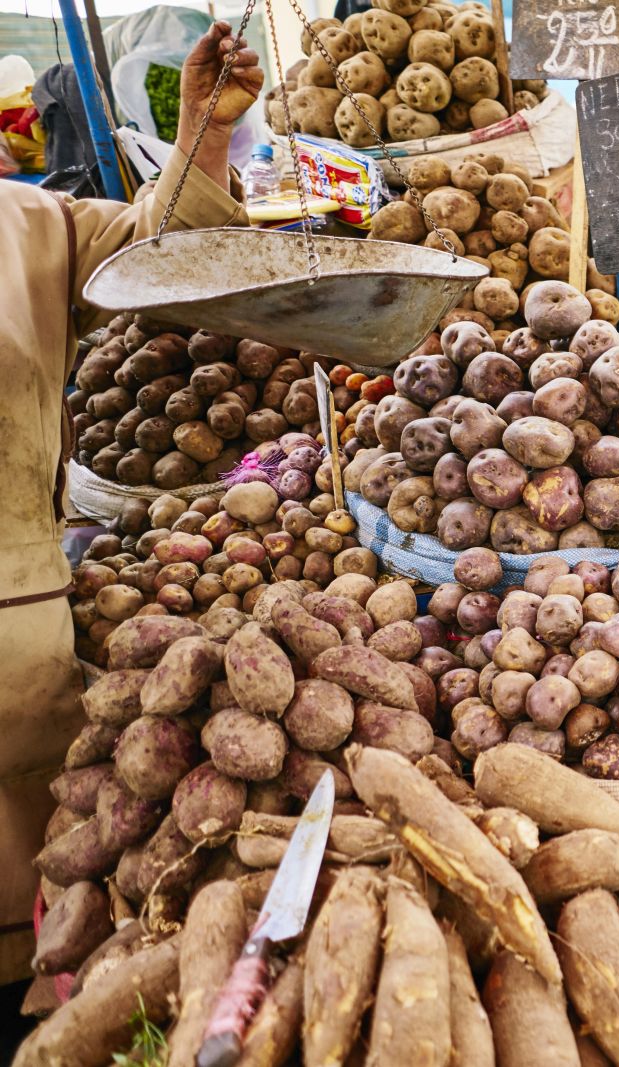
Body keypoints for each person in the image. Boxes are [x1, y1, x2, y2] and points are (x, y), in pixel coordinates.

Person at [0, 20, 261, 982]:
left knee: (37, 954)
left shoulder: (26, 223)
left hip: (20, 657)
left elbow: (165, 263)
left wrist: (204, 133)